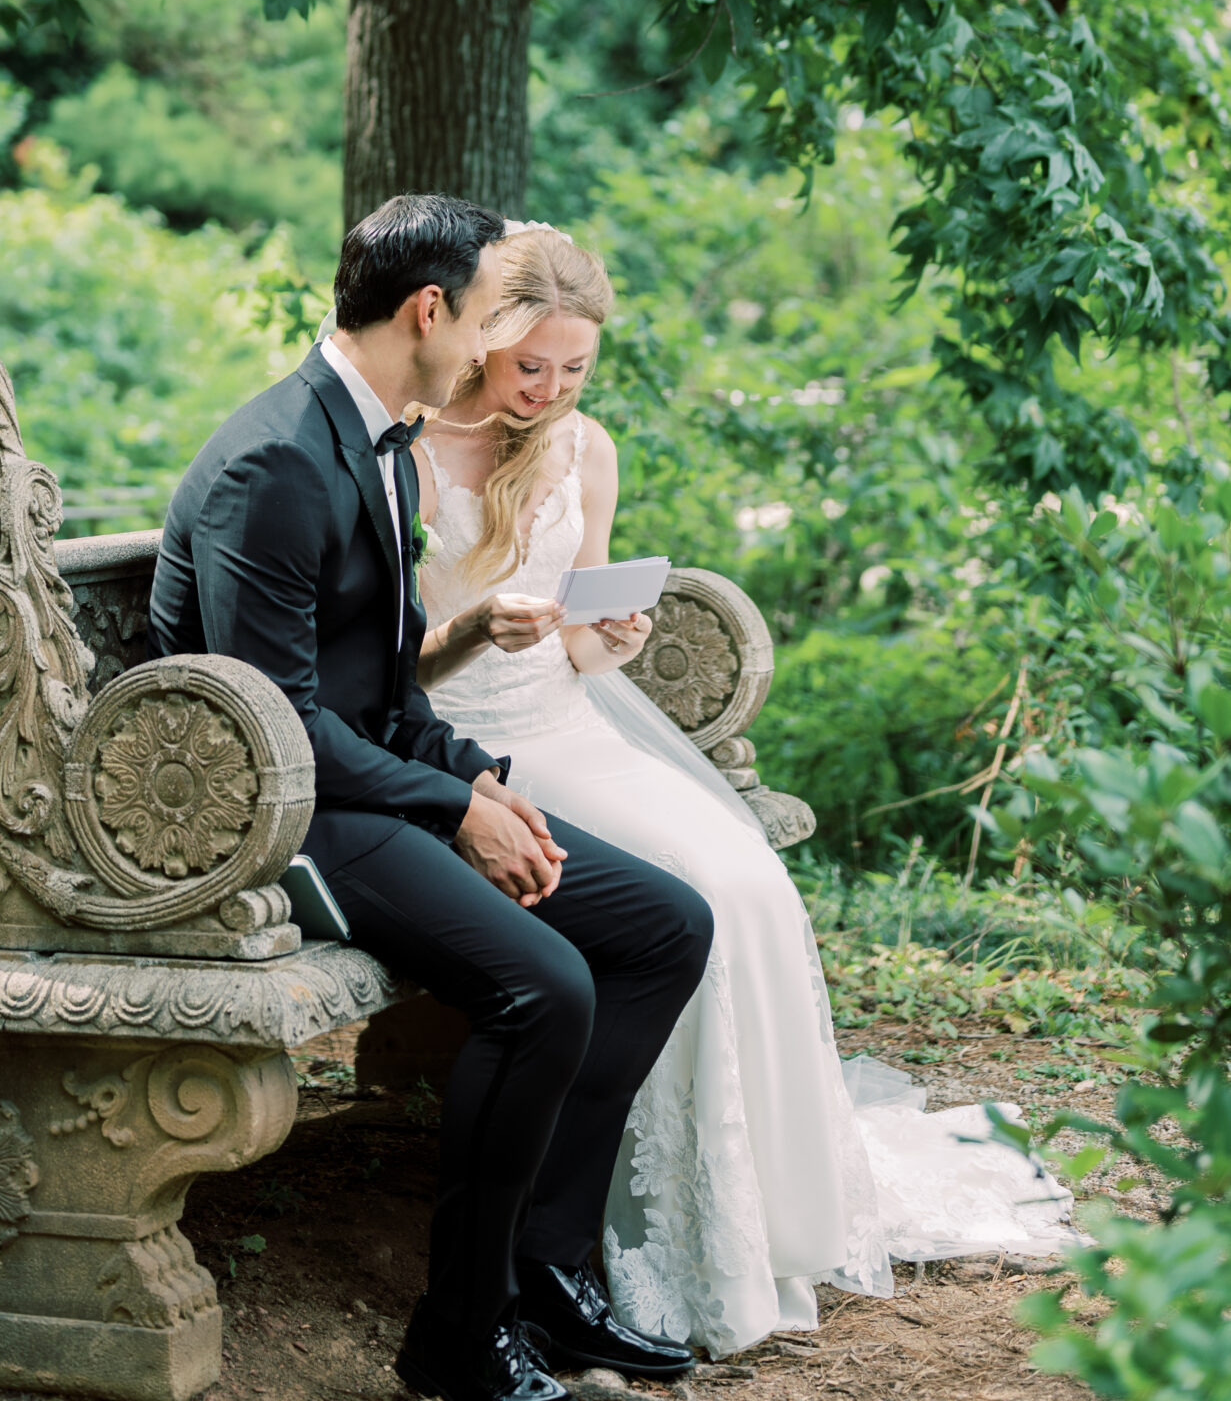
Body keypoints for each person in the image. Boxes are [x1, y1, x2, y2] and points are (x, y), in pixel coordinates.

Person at [413, 224, 1078, 1361]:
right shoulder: (406, 448)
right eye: (534, 365)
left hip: (568, 722)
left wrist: (608, 634)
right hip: (459, 741)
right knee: (681, 900)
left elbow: (572, 648)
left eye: (575, 369)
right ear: (485, 335)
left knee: (743, 878)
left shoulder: (584, 450)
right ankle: (620, 1240)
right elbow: (382, 662)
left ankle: (755, 1211)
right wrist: (476, 631)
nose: (551, 390)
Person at [149, 194, 715, 1401]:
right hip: (274, 819)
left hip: (360, 787)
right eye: (478, 322)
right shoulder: (277, 459)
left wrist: (472, 779)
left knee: (664, 925)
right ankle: (458, 1332)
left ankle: (547, 1274)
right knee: (540, 985)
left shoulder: (374, 437)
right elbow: (280, 722)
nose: (484, 354)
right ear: (426, 310)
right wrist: (451, 809)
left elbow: (383, 684)